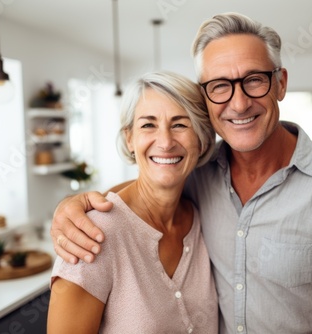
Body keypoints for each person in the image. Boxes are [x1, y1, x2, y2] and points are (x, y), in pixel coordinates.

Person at [51, 12, 312, 333]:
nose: (239, 102)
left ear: (281, 84)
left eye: (254, 80)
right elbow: (152, 185)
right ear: (206, 96)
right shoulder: (200, 173)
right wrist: (75, 205)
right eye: (219, 85)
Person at [47, 71, 218, 333]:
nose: (165, 142)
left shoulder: (201, 216)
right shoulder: (92, 235)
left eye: (180, 124)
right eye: (148, 125)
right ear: (130, 138)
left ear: (202, 139)